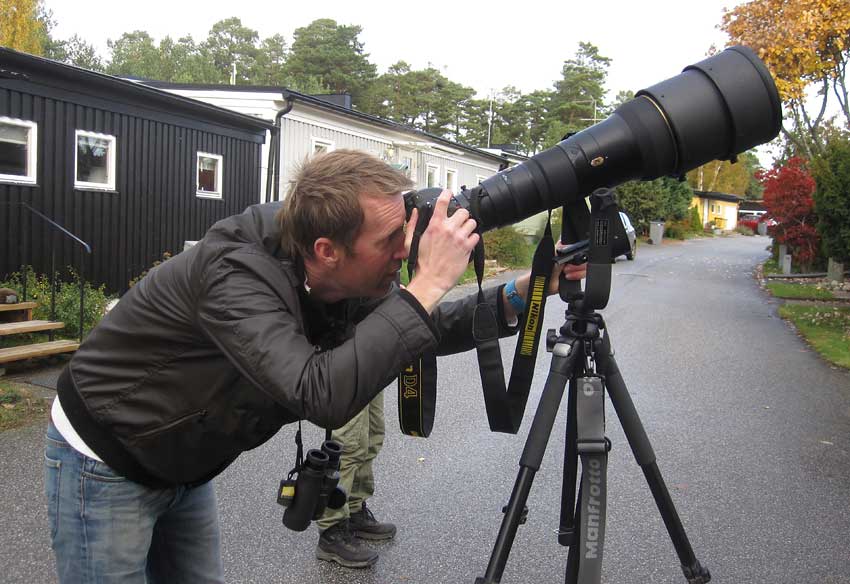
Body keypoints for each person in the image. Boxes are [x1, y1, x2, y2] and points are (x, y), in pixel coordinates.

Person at [44, 149, 586, 583]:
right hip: (107, 458)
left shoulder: (344, 269)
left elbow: (423, 328)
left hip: (185, 460)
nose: (403, 251)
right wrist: (425, 284)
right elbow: (318, 392)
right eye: (390, 241)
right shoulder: (236, 274)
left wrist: (523, 291)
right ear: (328, 249)